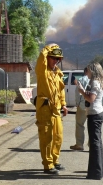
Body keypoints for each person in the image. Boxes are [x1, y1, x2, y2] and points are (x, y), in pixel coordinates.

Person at [35, 44, 68, 175]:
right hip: (45, 109)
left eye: (58, 59)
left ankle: (55, 160)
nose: (56, 61)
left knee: (58, 136)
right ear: (48, 58)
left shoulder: (57, 73)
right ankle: (48, 165)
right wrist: (49, 47)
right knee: (46, 137)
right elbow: (41, 57)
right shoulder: (42, 71)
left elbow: (60, 92)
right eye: (53, 58)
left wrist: (64, 104)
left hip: (56, 110)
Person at [77, 62, 103, 180]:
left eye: (88, 70)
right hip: (98, 113)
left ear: (93, 71)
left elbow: (91, 98)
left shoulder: (95, 82)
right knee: (97, 143)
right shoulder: (98, 81)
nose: (86, 72)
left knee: (94, 144)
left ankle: (95, 173)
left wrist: (81, 91)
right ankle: (100, 170)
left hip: (94, 114)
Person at [70, 67, 103, 151]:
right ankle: (91, 145)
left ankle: (79, 144)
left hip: (83, 105)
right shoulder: (100, 81)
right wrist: (101, 104)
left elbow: (78, 93)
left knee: (80, 124)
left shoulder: (82, 80)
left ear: (85, 72)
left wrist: (78, 103)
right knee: (92, 128)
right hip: (95, 108)